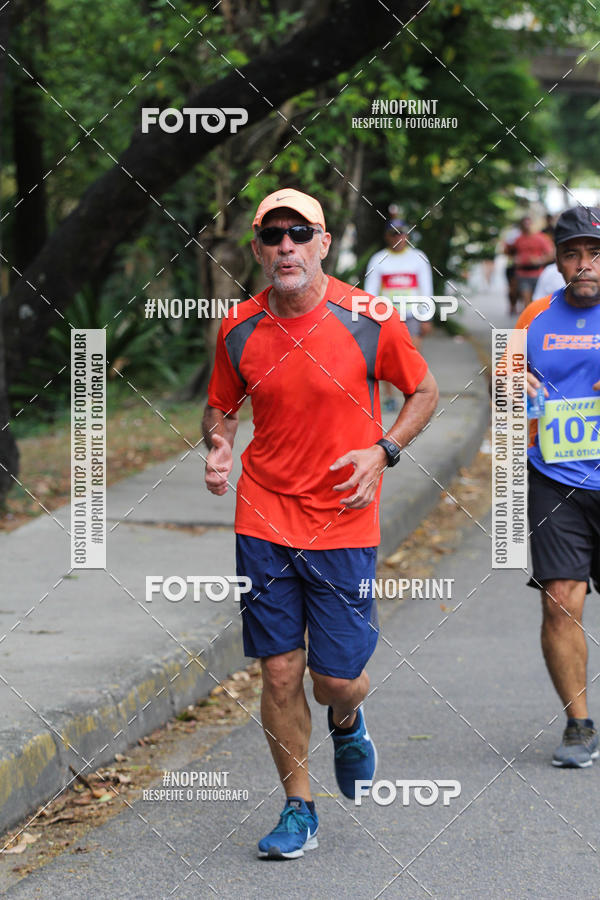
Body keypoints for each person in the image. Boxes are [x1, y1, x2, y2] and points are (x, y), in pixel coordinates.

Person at [202, 188, 438, 857]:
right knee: (279, 672)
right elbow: (220, 406)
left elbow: (424, 391)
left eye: (299, 233)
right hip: (264, 515)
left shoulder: (370, 320)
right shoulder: (238, 327)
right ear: (257, 248)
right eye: (272, 235)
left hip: (342, 522)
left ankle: (348, 716)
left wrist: (384, 449)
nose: (286, 247)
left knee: (335, 676)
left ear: (324, 243)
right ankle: (298, 808)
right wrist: (218, 444)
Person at [515, 206, 600, 767]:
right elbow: (503, 395)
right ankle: (578, 724)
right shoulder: (535, 317)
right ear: (558, 259)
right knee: (559, 601)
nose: (585, 264)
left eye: (596, 254)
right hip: (556, 477)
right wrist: (512, 378)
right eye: (573, 253)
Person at [364, 219, 434, 411]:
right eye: (394, 233)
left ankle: (412, 394)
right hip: (387, 316)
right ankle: (389, 396)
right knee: (387, 358)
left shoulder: (418, 257)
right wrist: (371, 318)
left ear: (408, 235)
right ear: (387, 236)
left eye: (402, 233)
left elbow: (426, 289)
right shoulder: (378, 259)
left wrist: (426, 317)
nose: (399, 237)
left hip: (412, 315)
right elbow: (370, 292)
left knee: (412, 357)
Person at [505, 215, 554, 311]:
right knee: (527, 303)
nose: (526, 226)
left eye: (528, 223)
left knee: (537, 302)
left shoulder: (541, 238)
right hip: (523, 274)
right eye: (524, 224)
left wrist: (540, 260)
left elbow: (551, 254)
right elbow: (508, 252)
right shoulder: (517, 239)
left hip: (538, 274)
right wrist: (515, 258)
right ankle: (528, 322)